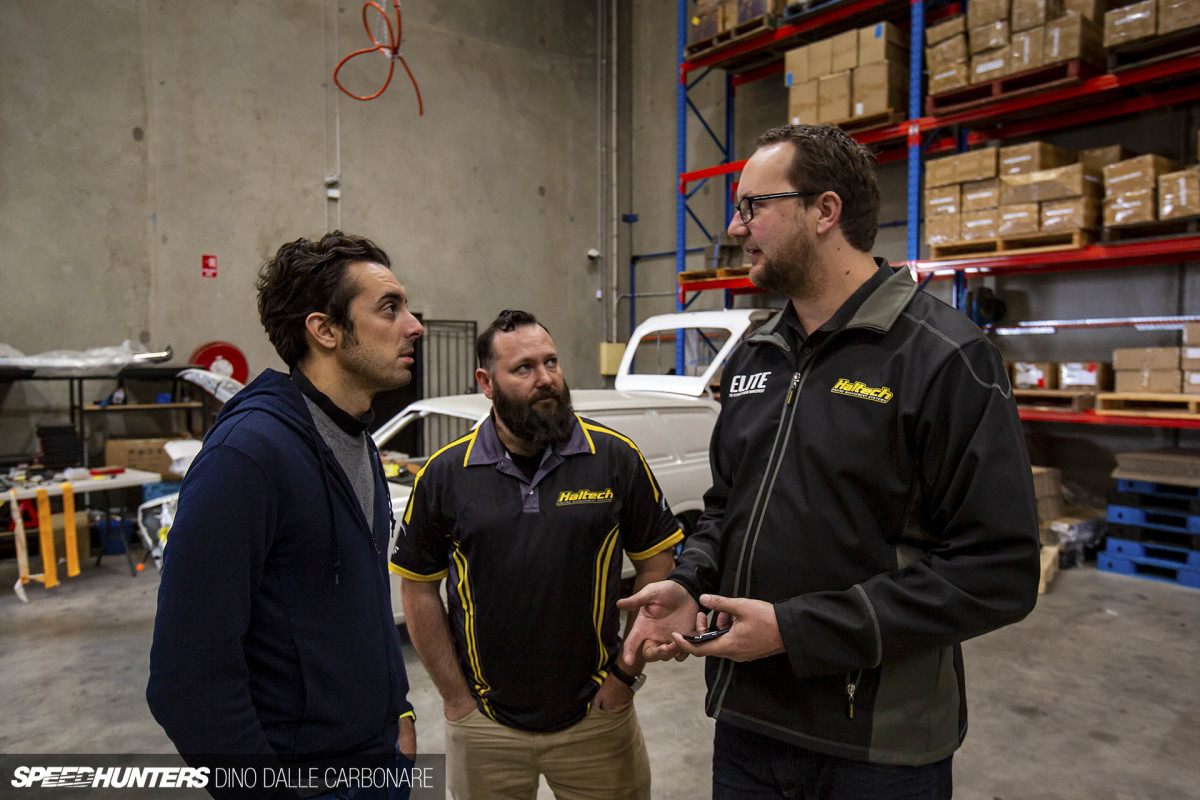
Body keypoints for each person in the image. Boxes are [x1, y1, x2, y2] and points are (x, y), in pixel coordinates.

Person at [619, 124, 1041, 800]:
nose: (735, 226)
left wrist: (796, 632)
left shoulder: (944, 359)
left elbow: (1000, 570)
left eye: (753, 205)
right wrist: (690, 583)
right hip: (749, 725)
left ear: (825, 210)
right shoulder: (756, 354)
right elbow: (727, 508)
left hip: (876, 746)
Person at [147, 231, 424, 798]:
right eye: (389, 308)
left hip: (378, 763)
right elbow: (186, 679)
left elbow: (364, 602)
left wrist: (397, 709)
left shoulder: (356, 440)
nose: (414, 325)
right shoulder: (247, 456)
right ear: (324, 330)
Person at [393, 309, 682, 800]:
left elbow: (657, 565)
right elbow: (418, 589)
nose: (545, 378)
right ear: (487, 383)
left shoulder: (615, 457)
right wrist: (456, 699)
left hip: (598, 720)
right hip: (485, 729)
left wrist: (623, 676)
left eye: (551, 362)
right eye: (524, 368)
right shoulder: (444, 474)